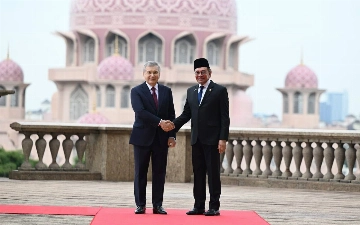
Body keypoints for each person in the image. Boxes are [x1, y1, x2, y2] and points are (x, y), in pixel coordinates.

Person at [172, 58, 230, 216]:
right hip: (196, 139)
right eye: (197, 72)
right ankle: (198, 206)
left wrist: (223, 139)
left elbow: (225, 118)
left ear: (209, 73)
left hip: (213, 140)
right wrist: (172, 127)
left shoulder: (219, 91)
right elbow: (186, 115)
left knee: (213, 174)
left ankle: (214, 206)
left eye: (203, 72)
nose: (200, 75)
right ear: (194, 74)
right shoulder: (191, 92)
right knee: (198, 174)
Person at [129, 61, 176, 215]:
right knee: (140, 172)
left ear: (159, 74)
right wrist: (160, 122)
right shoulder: (136, 91)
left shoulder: (166, 91)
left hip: (161, 139)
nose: (152, 75)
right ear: (144, 74)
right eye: (149, 72)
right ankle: (140, 205)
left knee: (159, 173)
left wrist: (172, 135)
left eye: (155, 72)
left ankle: (158, 205)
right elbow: (140, 111)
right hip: (142, 138)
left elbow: (171, 114)